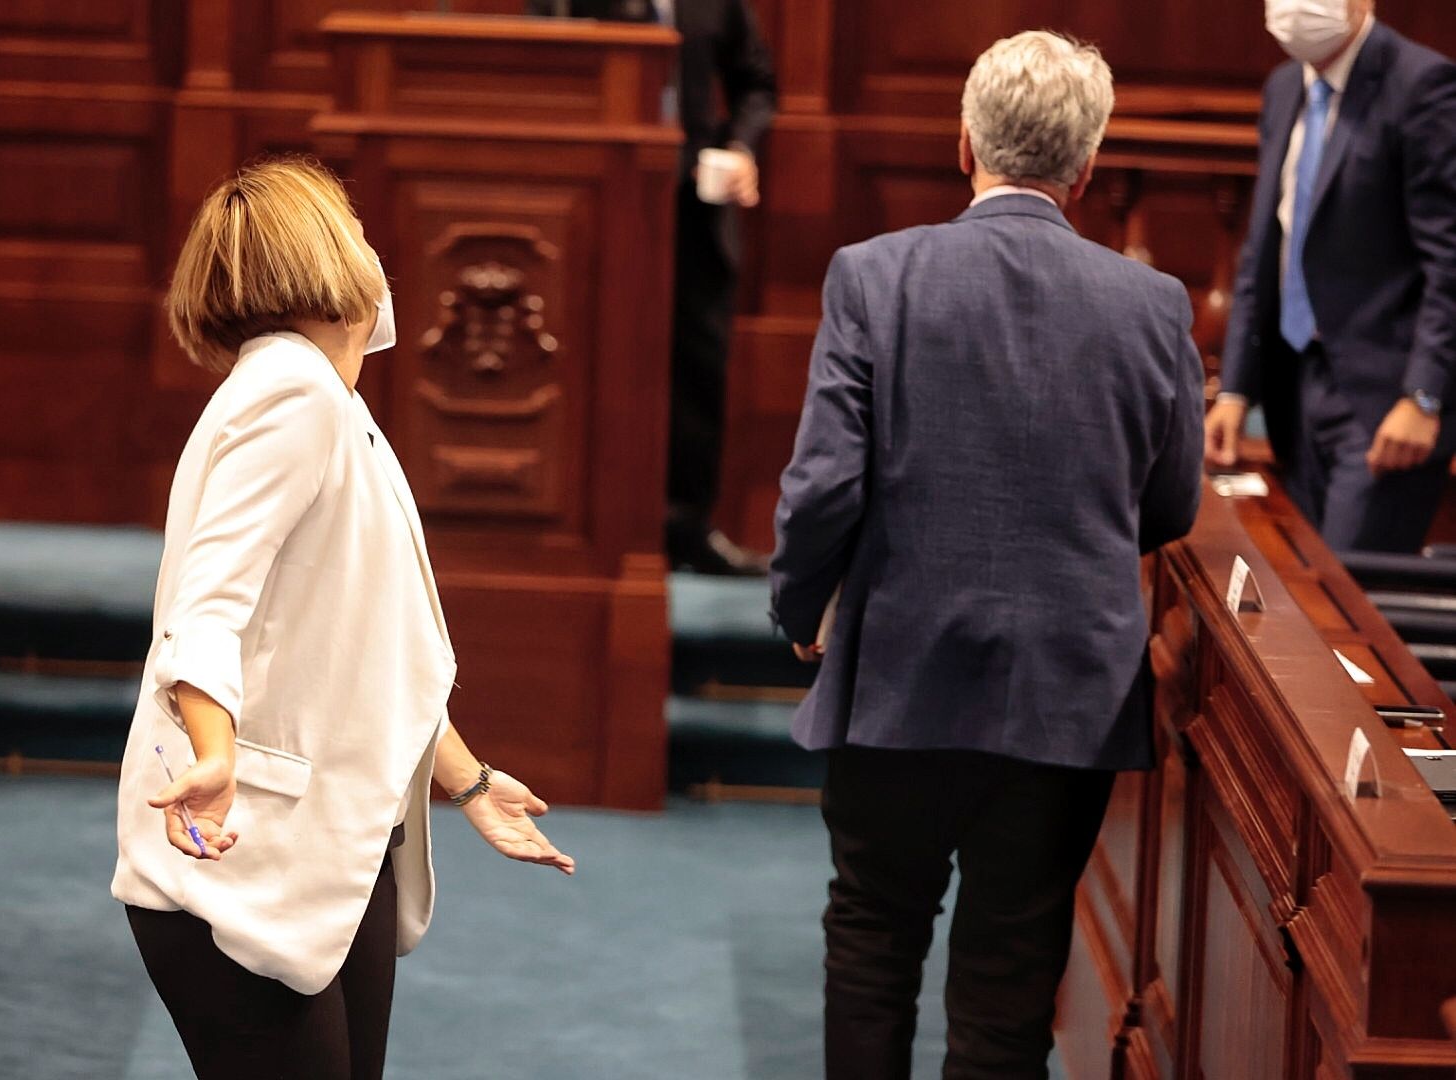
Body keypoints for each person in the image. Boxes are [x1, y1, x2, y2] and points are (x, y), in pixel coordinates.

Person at [769, 32, 1203, 1080]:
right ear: (1087, 169)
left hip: (901, 673)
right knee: (1010, 991)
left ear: (962, 145)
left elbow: (824, 484)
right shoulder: (1155, 307)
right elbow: (1170, 504)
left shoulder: (877, 277)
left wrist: (799, 608)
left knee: (874, 937)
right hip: (1067, 693)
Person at [110, 157, 575, 1080]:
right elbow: (207, 607)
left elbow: (373, 640)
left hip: (331, 844)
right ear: (327, 259)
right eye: (354, 232)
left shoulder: (325, 397)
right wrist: (211, 750)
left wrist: (470, 782)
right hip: (241, 858)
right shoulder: (294, 396)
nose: (375, 251)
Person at [528, 0, 777, 574]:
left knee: (697, 368)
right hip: (597, 203)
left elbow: (756, 81)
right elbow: (542, 66)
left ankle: (688, 530)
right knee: (594, 363)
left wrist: (740, 148)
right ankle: (587, 527)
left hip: (695, 208)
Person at [1206, 0, 1456, 553]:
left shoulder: (1421, 85)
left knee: (1344, 611)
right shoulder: (1282, 88)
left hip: (1383, 404)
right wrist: (1237, 388)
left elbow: (1450, 261)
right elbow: (1264, 249)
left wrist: (1423, 397)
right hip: (1296, 390)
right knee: (1300, 591)